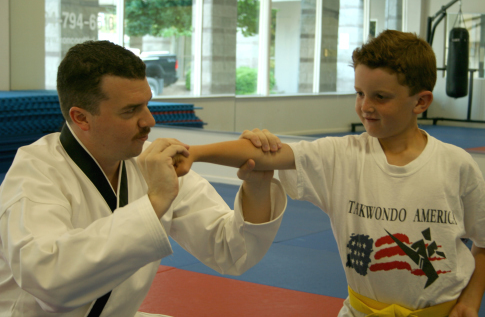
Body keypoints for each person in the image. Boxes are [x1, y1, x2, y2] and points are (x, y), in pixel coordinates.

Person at [176, 30, 485, 317]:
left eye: (380, 97)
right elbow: (265, 155)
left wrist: (471, 300)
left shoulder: (456, 166)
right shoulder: (341, 156)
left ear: (421, 101)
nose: (365, 106)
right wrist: (195, 153)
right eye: (359, 93)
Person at [0, 40, 287, 316]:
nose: (149, 120)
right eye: (130, 110)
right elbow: (49, 283)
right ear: (81, 118)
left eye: (147, 104)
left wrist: (257, 184)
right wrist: (155, 202)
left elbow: (230, 250)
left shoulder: (149, 162)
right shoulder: (37, 173)